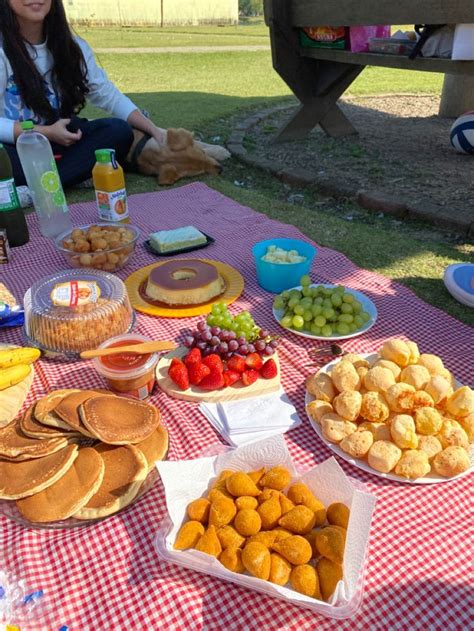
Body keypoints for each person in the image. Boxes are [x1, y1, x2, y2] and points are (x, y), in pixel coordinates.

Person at [0, 0, 166, 188]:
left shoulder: (72, 46)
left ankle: (43, 183)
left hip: (63, 141)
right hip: (15, 146)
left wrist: (154, 131)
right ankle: (65, 177)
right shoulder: (2, 49)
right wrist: (45, 133)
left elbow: (107, 94)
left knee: (118, 131)